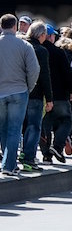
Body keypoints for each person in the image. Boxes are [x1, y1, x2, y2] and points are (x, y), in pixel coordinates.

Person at [0, 14, 39, 177]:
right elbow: (34, 70)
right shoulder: (24, 45)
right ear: (15, 26)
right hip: (19, 90)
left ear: (1, 26)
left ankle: (7, 161)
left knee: (3, 128)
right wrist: (28, 88)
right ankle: (9, 164)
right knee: (14, 129)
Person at [20, 21, 53, 172]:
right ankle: (29, 158)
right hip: (36, 93)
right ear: (41, 35)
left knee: (22, 126)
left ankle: (22, 153)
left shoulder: (21, 46)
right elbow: (45, 75)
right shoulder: (41, 50)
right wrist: (50, 98)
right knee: (34, 126)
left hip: (19, 91)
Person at [41, 25, 72, 163]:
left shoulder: (36, 50)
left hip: (41, 95)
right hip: (60, 95)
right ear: (50, 36)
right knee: (66, 121)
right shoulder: (58, 52)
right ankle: (57, 146)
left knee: (45, 124)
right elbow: (67, 74)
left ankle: (46, 154)